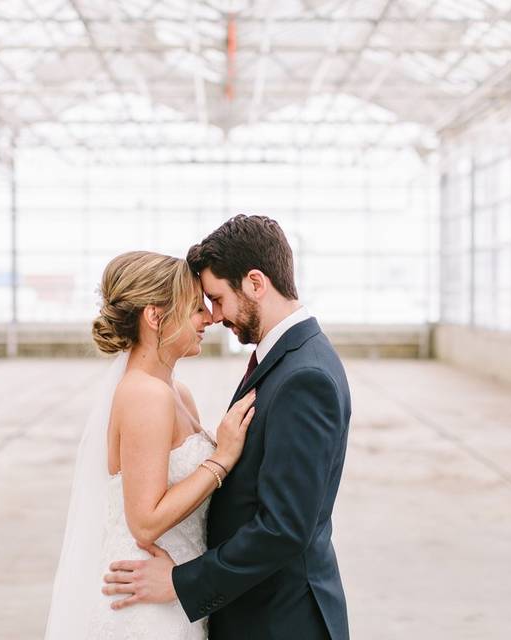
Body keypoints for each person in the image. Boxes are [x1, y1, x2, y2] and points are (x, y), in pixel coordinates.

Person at [102, 216, 353, 640]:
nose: (213, 316)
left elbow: (284, 527)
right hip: (240, 606)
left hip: (279, 619)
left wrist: (183, 583)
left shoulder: (303, 376)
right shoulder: (284, 360)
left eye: (216, 299)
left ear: (256, 282)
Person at [44, 251, 256, 640]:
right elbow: (144, 521)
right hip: (145, 600)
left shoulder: (176, 392)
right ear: (156, 317)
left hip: (175, 587)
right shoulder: (145, 396)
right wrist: (222, 459)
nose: (208, 318)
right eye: (195, 308)